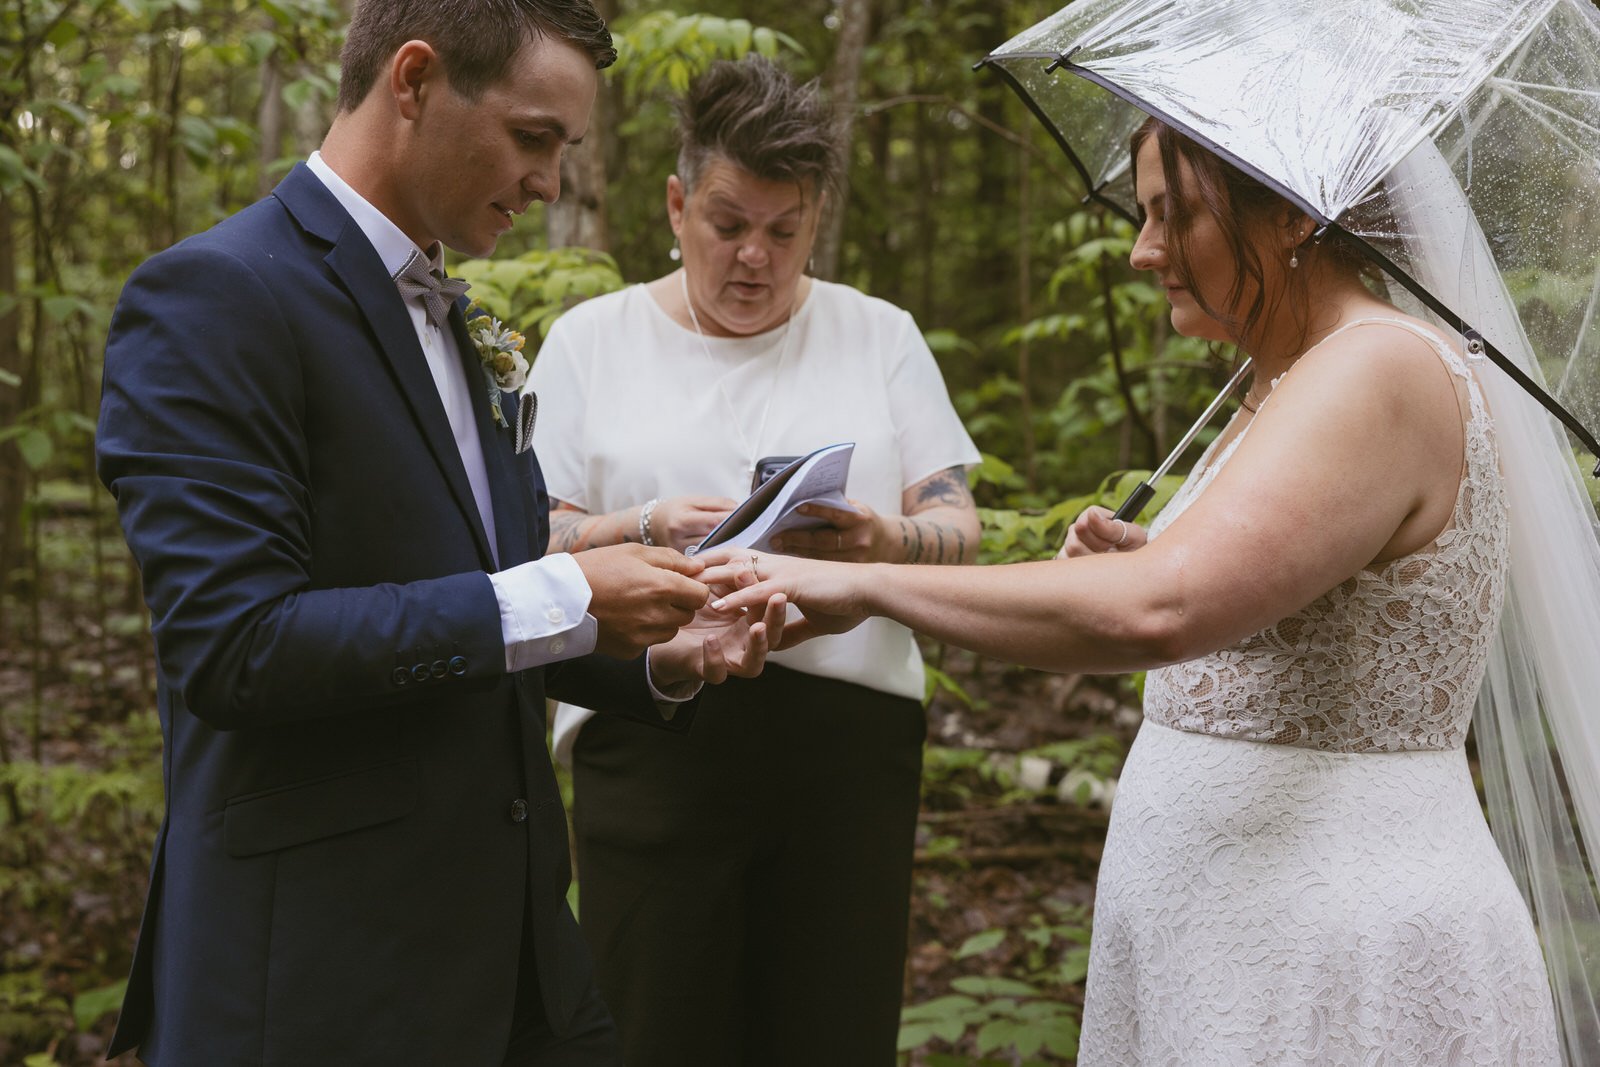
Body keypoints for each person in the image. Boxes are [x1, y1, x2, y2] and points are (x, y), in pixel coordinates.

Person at [706, 117, 1567, 1063]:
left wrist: (869, 584)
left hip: (1329, 939)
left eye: (1174, 215)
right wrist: (1141, 557)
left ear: (1289, 214)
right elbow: (1256, 609)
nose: (1140, 248)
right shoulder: (1281, 380)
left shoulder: (1376, 364)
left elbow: (1164, 609)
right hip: (1231, 926)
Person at [93, 3, 785, 1065]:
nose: (550, 183)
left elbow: (483, 612)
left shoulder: (462, 320)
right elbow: (234, 646)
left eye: (565, 148)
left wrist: (660, 660)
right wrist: (571, 595)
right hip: (326, 976)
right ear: (413, 80)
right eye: (533, 136)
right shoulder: (216, 297)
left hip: (521, 963)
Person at [522, 54, 981, 1067]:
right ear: (678, 204)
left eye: (784, 230)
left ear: (815, 218)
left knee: (832, 1028)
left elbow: (956, 517)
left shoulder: (880, 334)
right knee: (651, 1026)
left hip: (846, 743)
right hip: (648, 727)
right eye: (729, 225)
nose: (755, 259)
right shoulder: (590, 342)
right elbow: (528, 540)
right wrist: (639, 525)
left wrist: (882, 541)